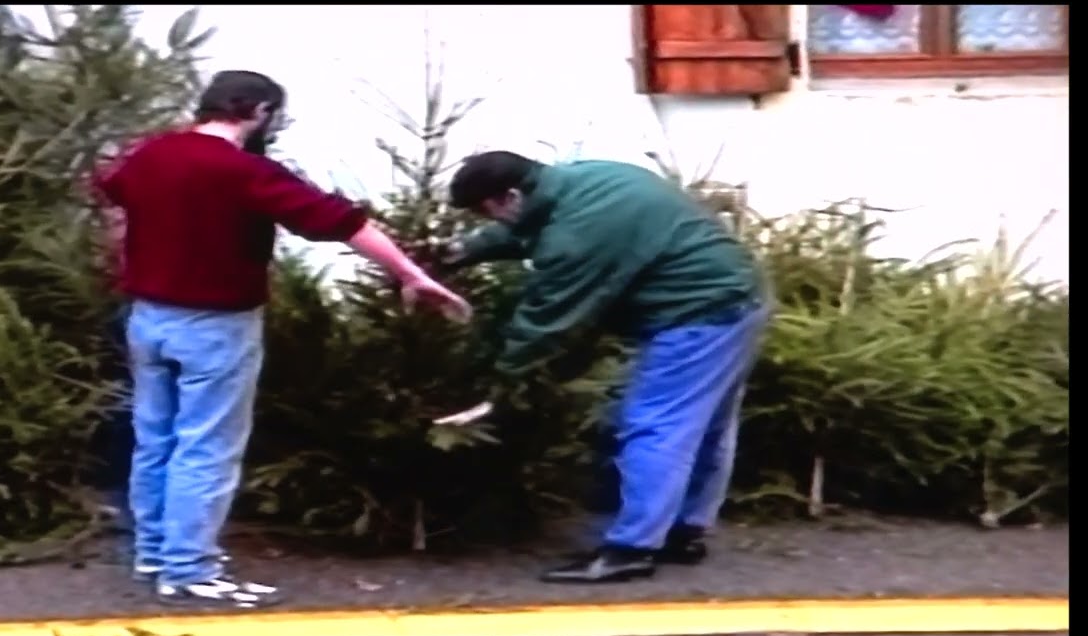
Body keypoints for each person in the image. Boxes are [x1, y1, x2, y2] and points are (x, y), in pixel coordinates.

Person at [92, 70, 471, 606]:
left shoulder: (153, 155)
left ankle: (155, 553)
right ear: (259, 111)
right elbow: (340, 223)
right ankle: (189, 568)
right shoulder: (245, 171)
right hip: (216, 326)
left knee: (156, 438)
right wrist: (411, 274)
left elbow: (110, 187)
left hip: (148, 319)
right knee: (207, 446)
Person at [440, 151, 769, 584]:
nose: (490, 219)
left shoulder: (576, 233)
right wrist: (462, 251)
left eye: (487, 210)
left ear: (512, 195)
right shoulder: (583, 179)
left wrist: (499, 388)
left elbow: (544, 321)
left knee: (654, 426)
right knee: (706, 426)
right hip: (738, 298)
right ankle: (683, 531)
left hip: (699, 316)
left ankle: (631, 550)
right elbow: (525, 228)